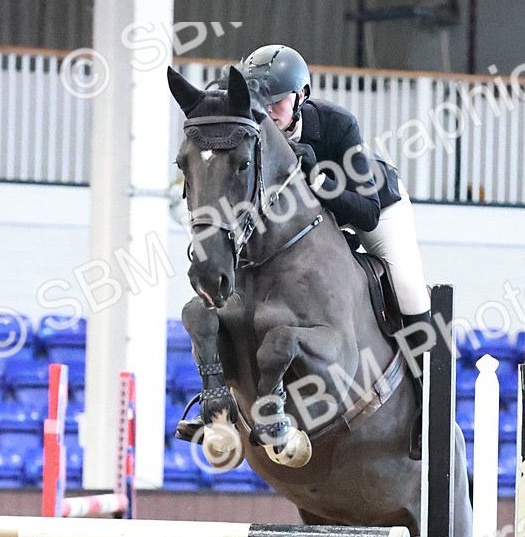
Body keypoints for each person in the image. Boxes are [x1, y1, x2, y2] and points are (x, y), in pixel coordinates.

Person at [177, 44, 431, 447]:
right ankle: (221, 403)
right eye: (263, 101)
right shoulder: (254, 132)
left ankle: (427, 404)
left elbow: (363, 212)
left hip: (373, 208)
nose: (269, 111)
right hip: (309, 224)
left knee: (409, 288)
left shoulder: (336, 125)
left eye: (277, 102)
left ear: (301, 97)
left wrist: (319, 183)